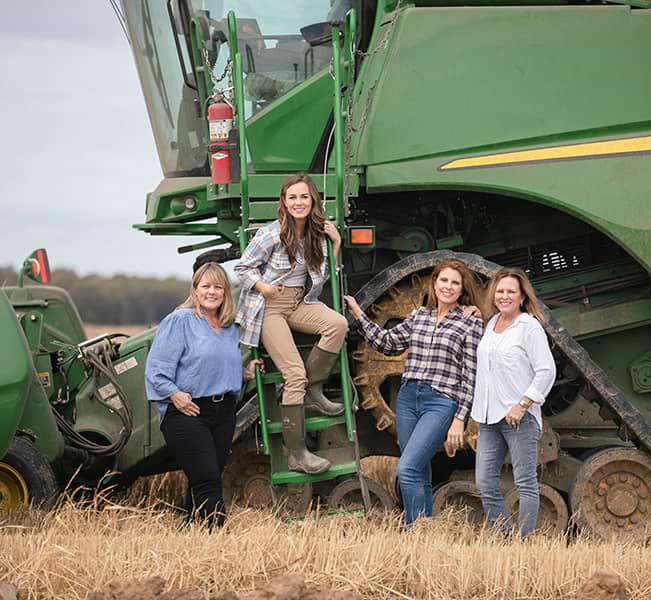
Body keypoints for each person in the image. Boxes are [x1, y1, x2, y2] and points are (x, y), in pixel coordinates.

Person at [344, 259, 485, 527]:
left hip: (440, 403)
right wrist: (359, 315)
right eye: (444, 280)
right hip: (408, 398)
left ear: (462, 289)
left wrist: (460, 419)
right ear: (434, 283)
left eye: (455, 283)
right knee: (419, 471)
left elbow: (471, 375)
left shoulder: (470, 322)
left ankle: (413, 531)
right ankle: (425, 531)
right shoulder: (420, 316)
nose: (448, 287)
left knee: (406, 469)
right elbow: (387, 344)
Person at [232, 172, 348, 475]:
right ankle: (297, 453)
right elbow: (242, 268)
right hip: (270, 308)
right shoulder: (271, 234)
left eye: (304, 197)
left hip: (300, 302)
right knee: (294, 374)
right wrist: (263, 287)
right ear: (284, 202)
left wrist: (335, 243)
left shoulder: (316, 234)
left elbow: (325, 275)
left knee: (337, 325)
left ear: (313, 201)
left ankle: (315, 388)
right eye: (292, 197)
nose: (299, 202)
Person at [145, 262, 261, 527]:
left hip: (222, 412)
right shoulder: (180, 321)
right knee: (208, 478)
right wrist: (175, 396)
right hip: (188, 411)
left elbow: (214, 367)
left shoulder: (228, 328)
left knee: (204, 478)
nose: (212, 292)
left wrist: (244, 373)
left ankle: (191, 531)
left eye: (218, 287)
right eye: (205, 286)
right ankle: (215, 536)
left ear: (225, 293)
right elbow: (156, 370)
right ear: (195, 290)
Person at [471, 267, 556, 537]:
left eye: (511, 291)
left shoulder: (529, 326)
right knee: (484, 483)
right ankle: (505, 538)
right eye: (500, 291)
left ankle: (525, 541)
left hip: (518, 418)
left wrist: (523, 405)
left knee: (525, 483)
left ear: (521, 297)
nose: (504, 295)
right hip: (488, 418)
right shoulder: (491, 323)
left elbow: (546, 370)